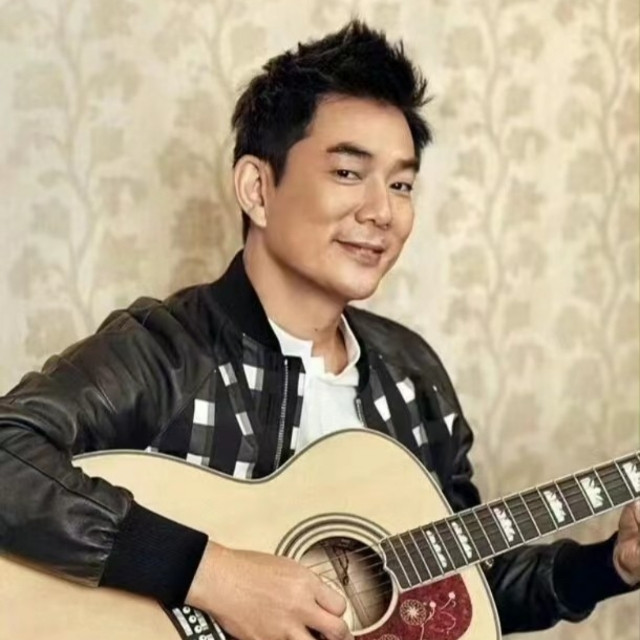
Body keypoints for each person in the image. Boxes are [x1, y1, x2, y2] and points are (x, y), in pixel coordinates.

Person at [0, 20, 638, 640]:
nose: (382, 211)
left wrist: (611, 564)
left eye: (401, 183)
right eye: (348, 173)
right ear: (257, 188)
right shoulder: (166, 351)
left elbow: (469, 583)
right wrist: (211, 575)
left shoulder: (412, 377)